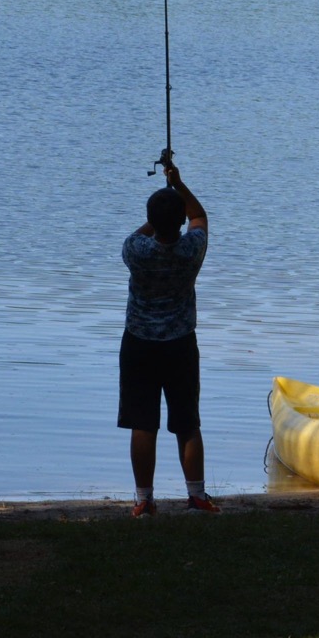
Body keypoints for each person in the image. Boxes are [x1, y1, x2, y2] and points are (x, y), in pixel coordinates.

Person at [117, 160, 219, 516]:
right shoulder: (192, 250)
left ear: (151, 221)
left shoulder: (136, 251)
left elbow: (137, 235)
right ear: (178, 222)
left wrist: (159, 216)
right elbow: (200, 217)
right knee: (187, 422)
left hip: (139, 344)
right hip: (180, 344)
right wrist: (178, 184)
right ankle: (198, 497)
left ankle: (144, 500)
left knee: (143, 423)